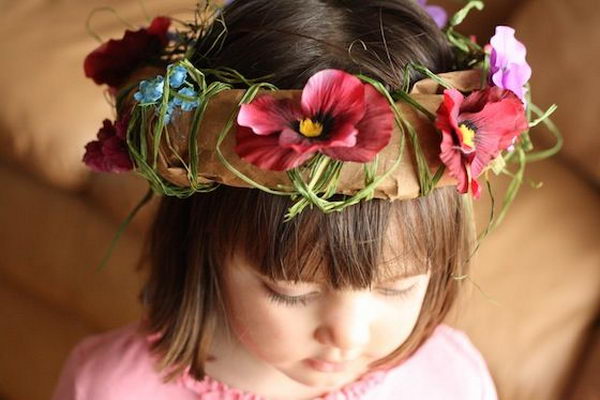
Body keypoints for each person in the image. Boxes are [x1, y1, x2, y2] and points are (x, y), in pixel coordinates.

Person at [53, 0, 556, 398]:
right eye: (291, 291)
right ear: (200, 243)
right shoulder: (107, 387)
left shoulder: (453, 382)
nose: (347, 336)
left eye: (399, 287)